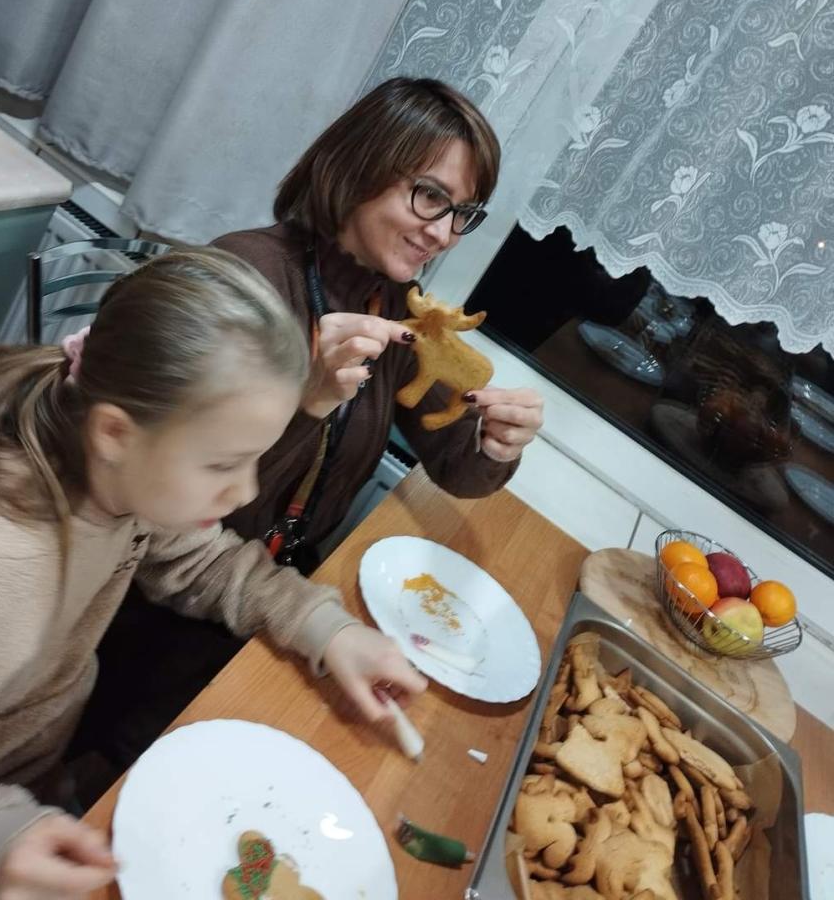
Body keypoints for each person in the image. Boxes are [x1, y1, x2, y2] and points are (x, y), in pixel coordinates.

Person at [0, 249, 424, 900]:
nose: (246, 492)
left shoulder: (117, 476)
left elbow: (202, 559)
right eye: (223, 466)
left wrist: (325, 629)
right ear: (114, 432)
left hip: (31, 792)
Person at [82, 77, 543, 772]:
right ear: (359, 169)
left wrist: (496, 444)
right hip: (163, 606)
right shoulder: (244, 279)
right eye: (429, 195)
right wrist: (308, 400)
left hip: (277, 592)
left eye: (463, 213)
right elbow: (170, 514)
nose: (443, 232)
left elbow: (457, 466)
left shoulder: (398, 307)